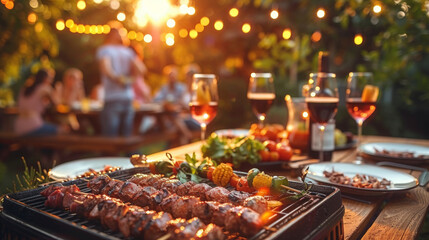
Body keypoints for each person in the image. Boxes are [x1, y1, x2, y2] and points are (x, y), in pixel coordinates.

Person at [96, 27, 145, 137]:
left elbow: (106, 69)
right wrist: (130, 79)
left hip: (112, 98)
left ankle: (110, 154)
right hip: (128, 97)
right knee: (126, 136)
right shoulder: (127, 51)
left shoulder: (105, 50)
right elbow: (141, 69)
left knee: (110, 139)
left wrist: (117, 79)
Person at [14, 69, 68, 136]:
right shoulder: (44, 88)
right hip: (33, 126)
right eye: (50, 78)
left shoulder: (25, 88)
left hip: (19, 127)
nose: (52, 81)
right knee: (63, 130)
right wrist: (59, 89)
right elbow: (58, 103)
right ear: (45, 78)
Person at [154, 65, 199, 144]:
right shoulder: (184, 90)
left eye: (189, 76)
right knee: (175, 123)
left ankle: (185, 137)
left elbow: (195, 109)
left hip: (194, 119)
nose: (187, 78)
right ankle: (183, 142)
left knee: (175, 121)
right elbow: (156, 99)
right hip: (183, 118)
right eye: (187, 76)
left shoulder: (194, 90)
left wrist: (183, 106)